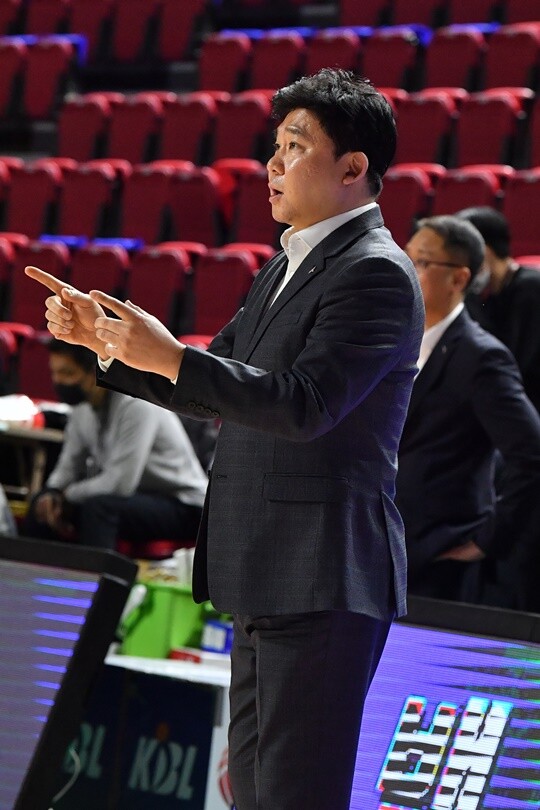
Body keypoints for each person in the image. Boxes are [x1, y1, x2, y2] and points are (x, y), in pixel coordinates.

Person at [26, 69, 425, 810]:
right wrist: (107, 344)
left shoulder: (376, 273)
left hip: (322, 572)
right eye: (275, 145)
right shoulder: (285, 264)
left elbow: (306, 406)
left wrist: (171, 355)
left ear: (352, 167)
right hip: (267, 571)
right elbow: (210, 384)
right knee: (255, 796)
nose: (274, 163)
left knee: (294, 797)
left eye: (295, 146)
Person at [397, 215, 540, 604]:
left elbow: (530, 455)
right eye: (406, 256)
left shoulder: (481, 357)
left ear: (459, 278)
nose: (407, 270)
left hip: (435, 559)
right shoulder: (394, 340)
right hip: (375, 547)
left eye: (422, 262)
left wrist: (487, 541)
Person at [22, 339, 208, 550]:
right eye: (54, 373)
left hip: (184, 505)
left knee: (98, 508)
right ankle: (36, 570)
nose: (58, 381)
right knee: (41, 505)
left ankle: (94, 572)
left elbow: (120, 483)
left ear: (93, 371)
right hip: (136, 498)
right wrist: (53, 492)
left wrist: (68, 495)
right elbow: (69, 465)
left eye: (67, 373)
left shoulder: (138, 403)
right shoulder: (82, 406)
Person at [455, 206, 540, 412]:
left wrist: (466, 294)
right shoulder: (494, 293)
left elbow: (511, 361)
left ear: (484, 251)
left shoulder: (530, 287)